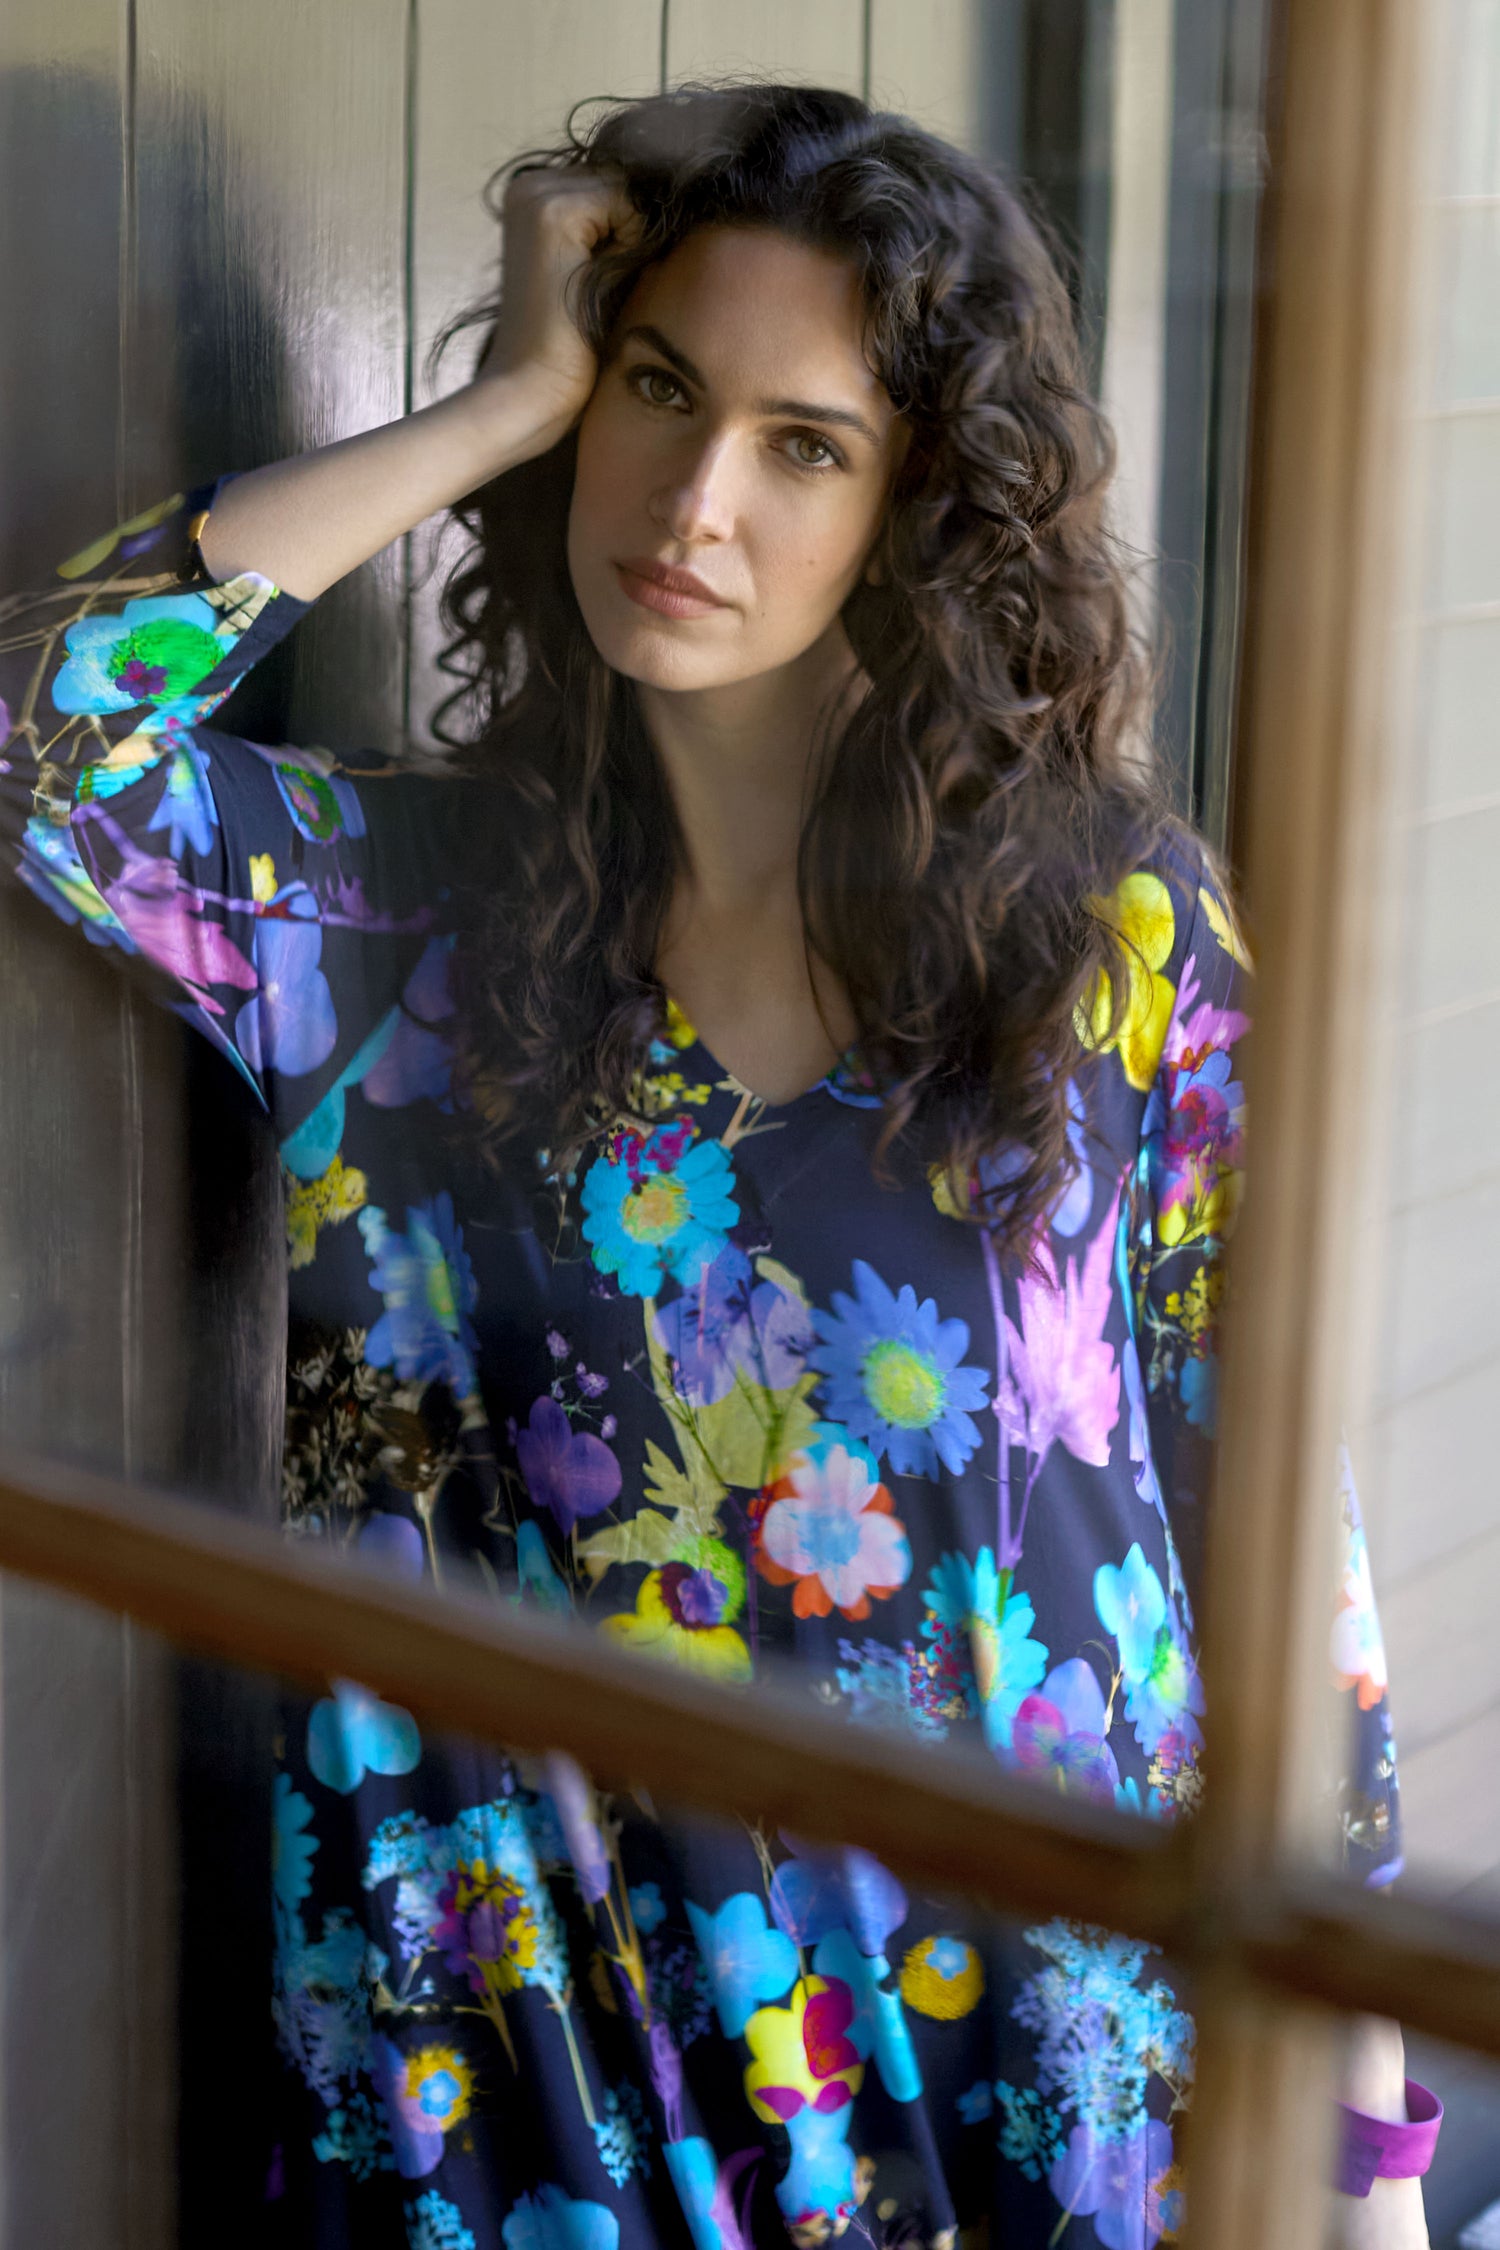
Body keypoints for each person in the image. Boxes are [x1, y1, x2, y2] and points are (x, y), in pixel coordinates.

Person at [0, 81, 1422, 2250]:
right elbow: (46, 736)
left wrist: (1365, 2169)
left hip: (1047, 2078)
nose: (691, 497)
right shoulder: (399, 931)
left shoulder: (1114, 935)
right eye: (658, 392)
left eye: (806, 444)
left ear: (921, 508)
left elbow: (1286, 1571)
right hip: (550, 2094)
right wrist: (506, 404)